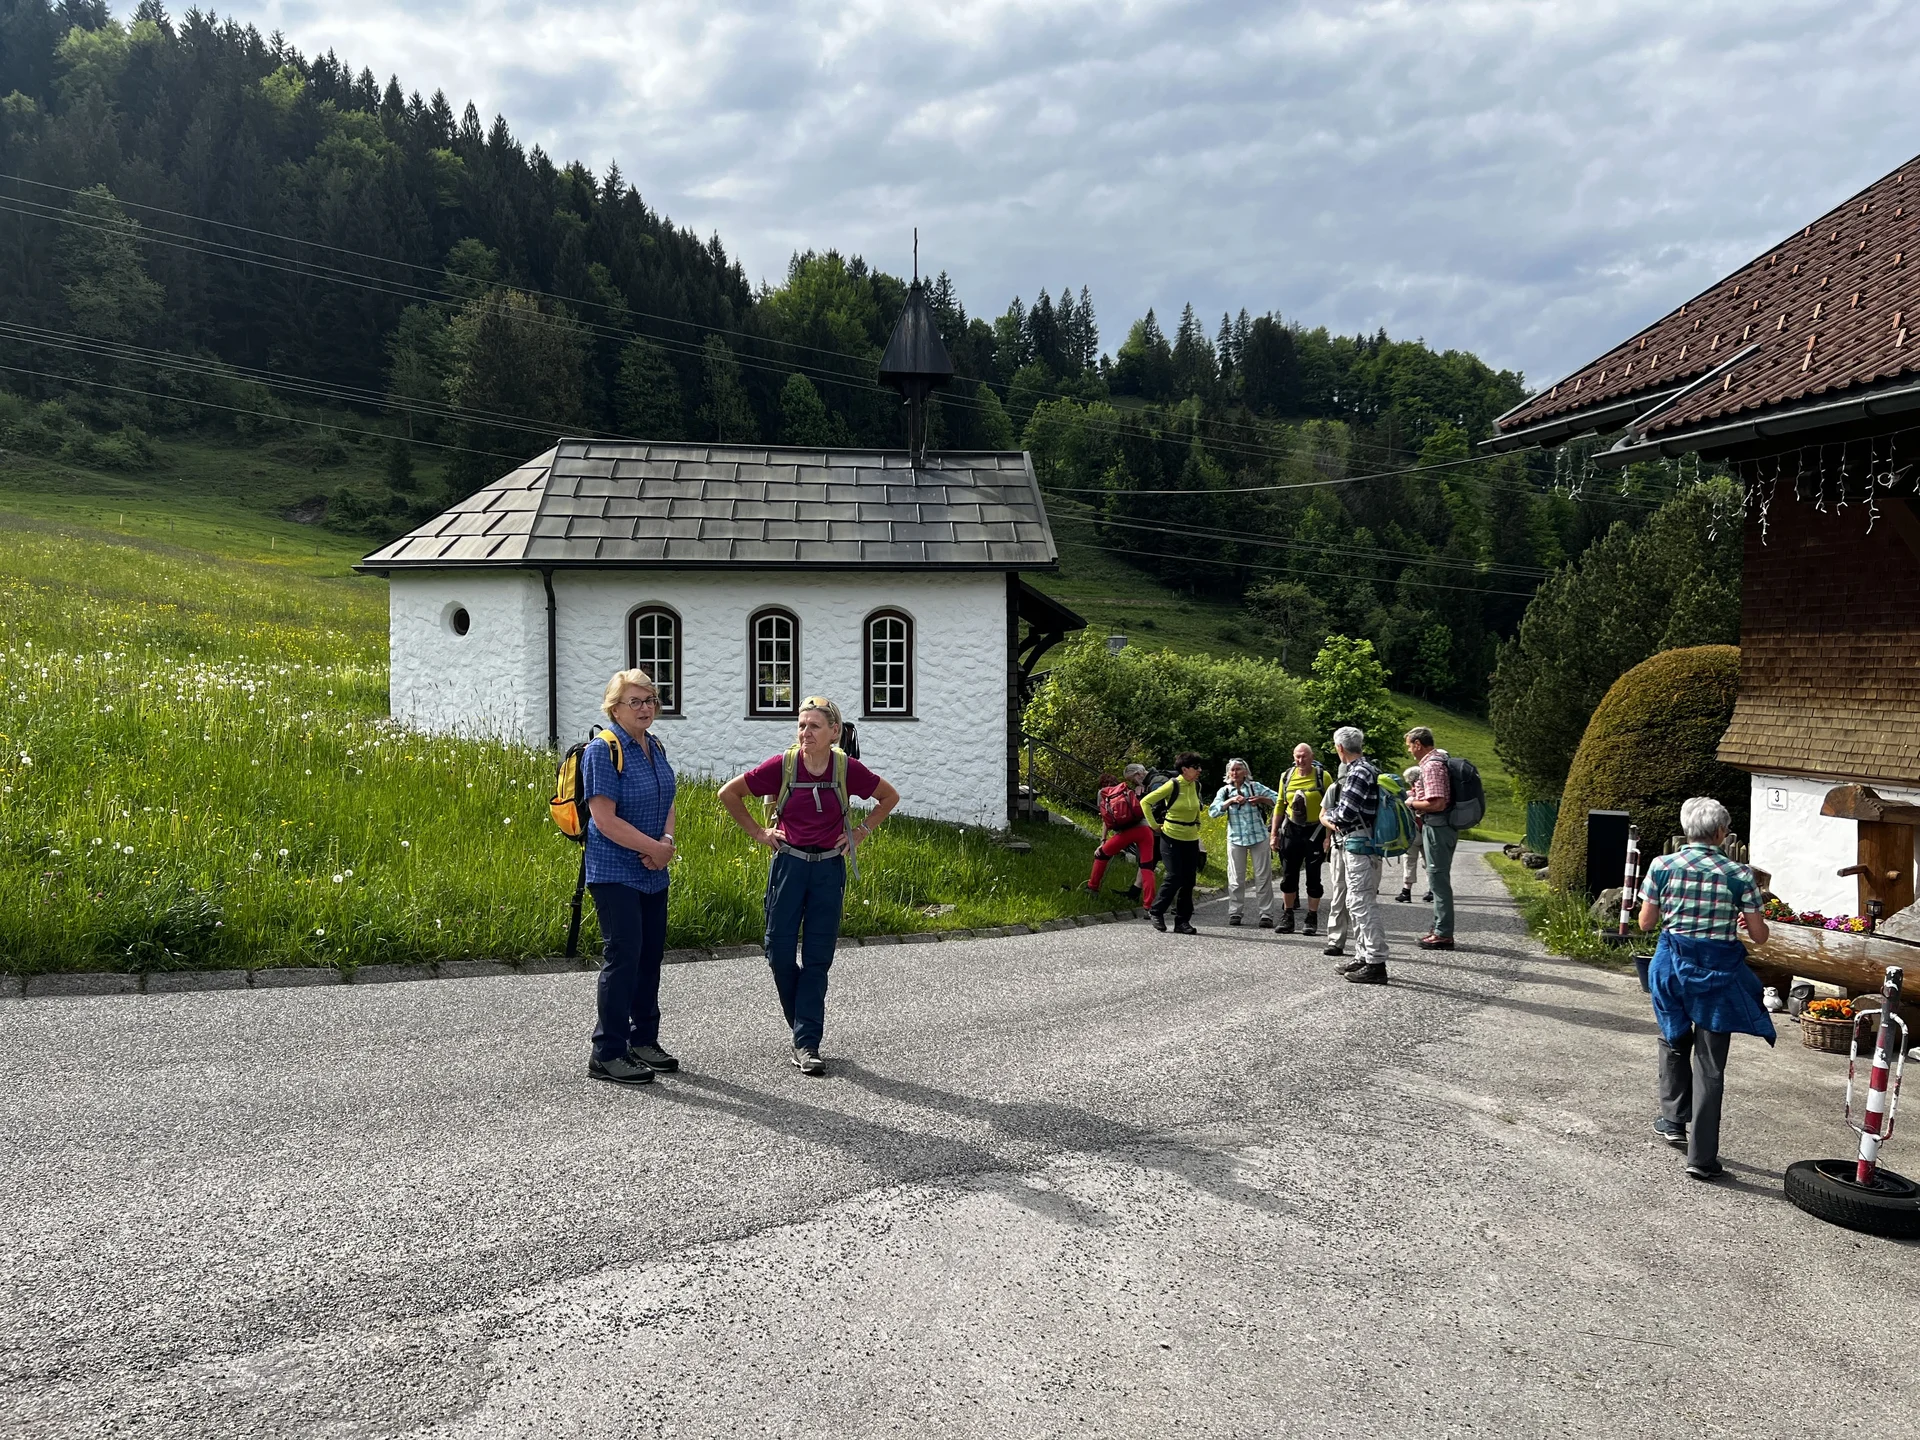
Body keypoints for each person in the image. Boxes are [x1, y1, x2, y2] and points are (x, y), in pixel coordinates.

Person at [718, 696, 900, 1075]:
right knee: (779, 952)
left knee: (818, 959)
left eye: (814, 726)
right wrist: (759, 832)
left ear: (834, 732)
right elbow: (728, 793)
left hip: (829, 870)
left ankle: (806, 1042)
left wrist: (861, 832)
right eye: (802, 725)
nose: (806, 733)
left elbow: (888, 797)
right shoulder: (783, 765)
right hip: (789, 865)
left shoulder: (846, 768)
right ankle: (803, 1025)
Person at [1637, 796, 1776, 1182]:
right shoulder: (1740, 874)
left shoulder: (1662, 866)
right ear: (1720, 833)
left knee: (1673, 1038)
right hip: (1719, 971)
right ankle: (1701, 1158)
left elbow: (1646, 923)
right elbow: (1760, 936)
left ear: (1688, 830)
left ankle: (1672, 1120)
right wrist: (1743, 921)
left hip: (1672, 966)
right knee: (1711, 1063)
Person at [583, 669, 679, 1087]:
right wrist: (654, 849)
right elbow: (604, 820)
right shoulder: (603, 751)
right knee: (623, 959)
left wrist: (666, 842)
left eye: (650, 700)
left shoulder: (653, 745)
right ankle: (607, 1053)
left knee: (649, 957)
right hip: (614, 872)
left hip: (654, 872)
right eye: (634, 701)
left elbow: (668, 798)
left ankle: (643, 1041)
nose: (645, 708)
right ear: (615, 708)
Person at [1318, 726, 1391, 984]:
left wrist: (1328, 814)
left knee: (1361, 902)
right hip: (1362, 842)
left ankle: (1376, 962)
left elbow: (1346, 813)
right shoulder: (1369, 768)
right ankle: (1362, 956)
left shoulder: (1358, 771)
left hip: (1360, 843)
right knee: (1354, 900)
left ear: (1340, 748)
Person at [1269, 743, 1331, 936]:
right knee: (1289, 875)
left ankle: (1311, 917)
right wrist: (1274, 834)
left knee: (1313, 876)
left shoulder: (1323, 777)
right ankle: (1287, 916)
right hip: (1292, 830)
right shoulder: (1286, 776)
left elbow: (1331, 807)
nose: (1300, 760)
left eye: (1304, 756)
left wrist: (1328, 837)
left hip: (1316, 830)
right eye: (1297, 756)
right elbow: (1280, 805)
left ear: (1312, 757)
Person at [1143, 752, 1207, 935]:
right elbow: (1146, 802)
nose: (1199, 770)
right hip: (1171, 836)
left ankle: (1182, 922)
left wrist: (1197, 824)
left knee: (1189, 880)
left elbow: (1196, 807)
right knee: (1174, 876)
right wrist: (1154, 825)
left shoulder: (1196, 785)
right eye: (1196, 767)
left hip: (1191, 838)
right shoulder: (1173, 784)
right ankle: (1156, 911)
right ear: (1184, 769)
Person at [1210, 758, 1278, 927]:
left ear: (1246, 772)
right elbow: (1213, 812)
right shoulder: (1225, 791)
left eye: (1238, 769)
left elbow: (1279, 799)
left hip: (1259, 837)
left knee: (1263, 877)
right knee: (1235, 878)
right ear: (1228, 773)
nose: (1235, 772)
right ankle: (1235, 912)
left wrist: (1261, 799)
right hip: (1236, 838)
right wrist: (1230, 801)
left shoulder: (1255, 787)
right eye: (1232, 770)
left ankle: (1266, 914)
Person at [1404, 727, 1455, 951]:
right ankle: (1438, 928)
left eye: (1409, 745)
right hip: (1439, 826)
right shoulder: (1437, 762)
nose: (1409, 750)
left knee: (1438, 880)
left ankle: (1443, 934)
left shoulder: (1431, 765)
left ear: (1418, 744)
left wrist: (1412, 803)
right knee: (1437, 878)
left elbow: (1438, 803)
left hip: (1437, 826)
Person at [1087, 763, 1158, 912]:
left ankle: (1092, 888)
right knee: (1146, 867)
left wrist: (1103, 841)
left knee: (1101, 855)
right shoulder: (1127, 790)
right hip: (1146, 830)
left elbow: (1105, 819)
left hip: (1127, 832)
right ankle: (1149, 907)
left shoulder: (1103, 794)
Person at [1396, 765, 1422, 905]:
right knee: (1429, 861)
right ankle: (1432, 890)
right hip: (1427, 831)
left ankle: (1406, 891)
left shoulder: (1407, 796)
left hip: (1412, 834)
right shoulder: (1427, 795)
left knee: (1409, 861)